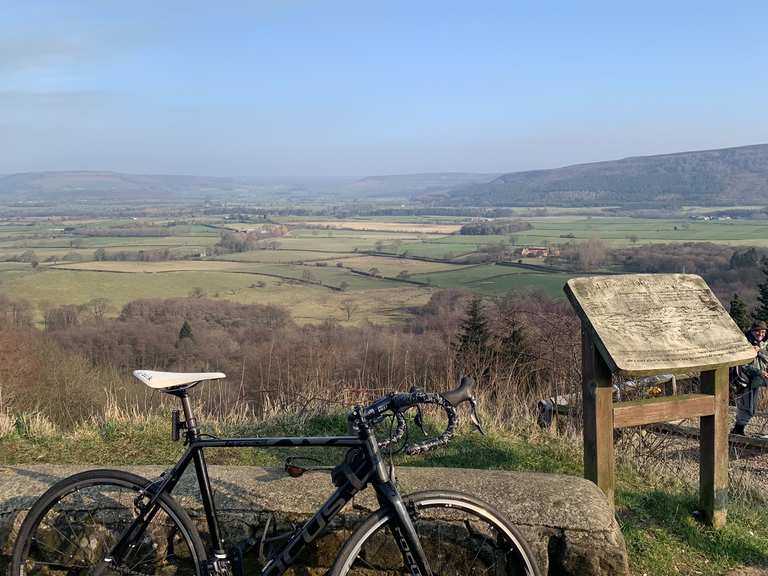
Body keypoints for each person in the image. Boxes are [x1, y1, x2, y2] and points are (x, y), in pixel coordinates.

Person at [731, 320, 768, 436]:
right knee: (747, 407)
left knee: (749, 406)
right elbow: (743, 365)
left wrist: (759, 351)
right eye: (757, 331)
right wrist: (759, 372)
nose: (760, 334)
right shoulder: (745, 344)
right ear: (752, 331)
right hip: (744, 379)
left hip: (756, 378)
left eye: (763, 332)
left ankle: (738, 431)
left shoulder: (762, 344)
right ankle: (737, 431)